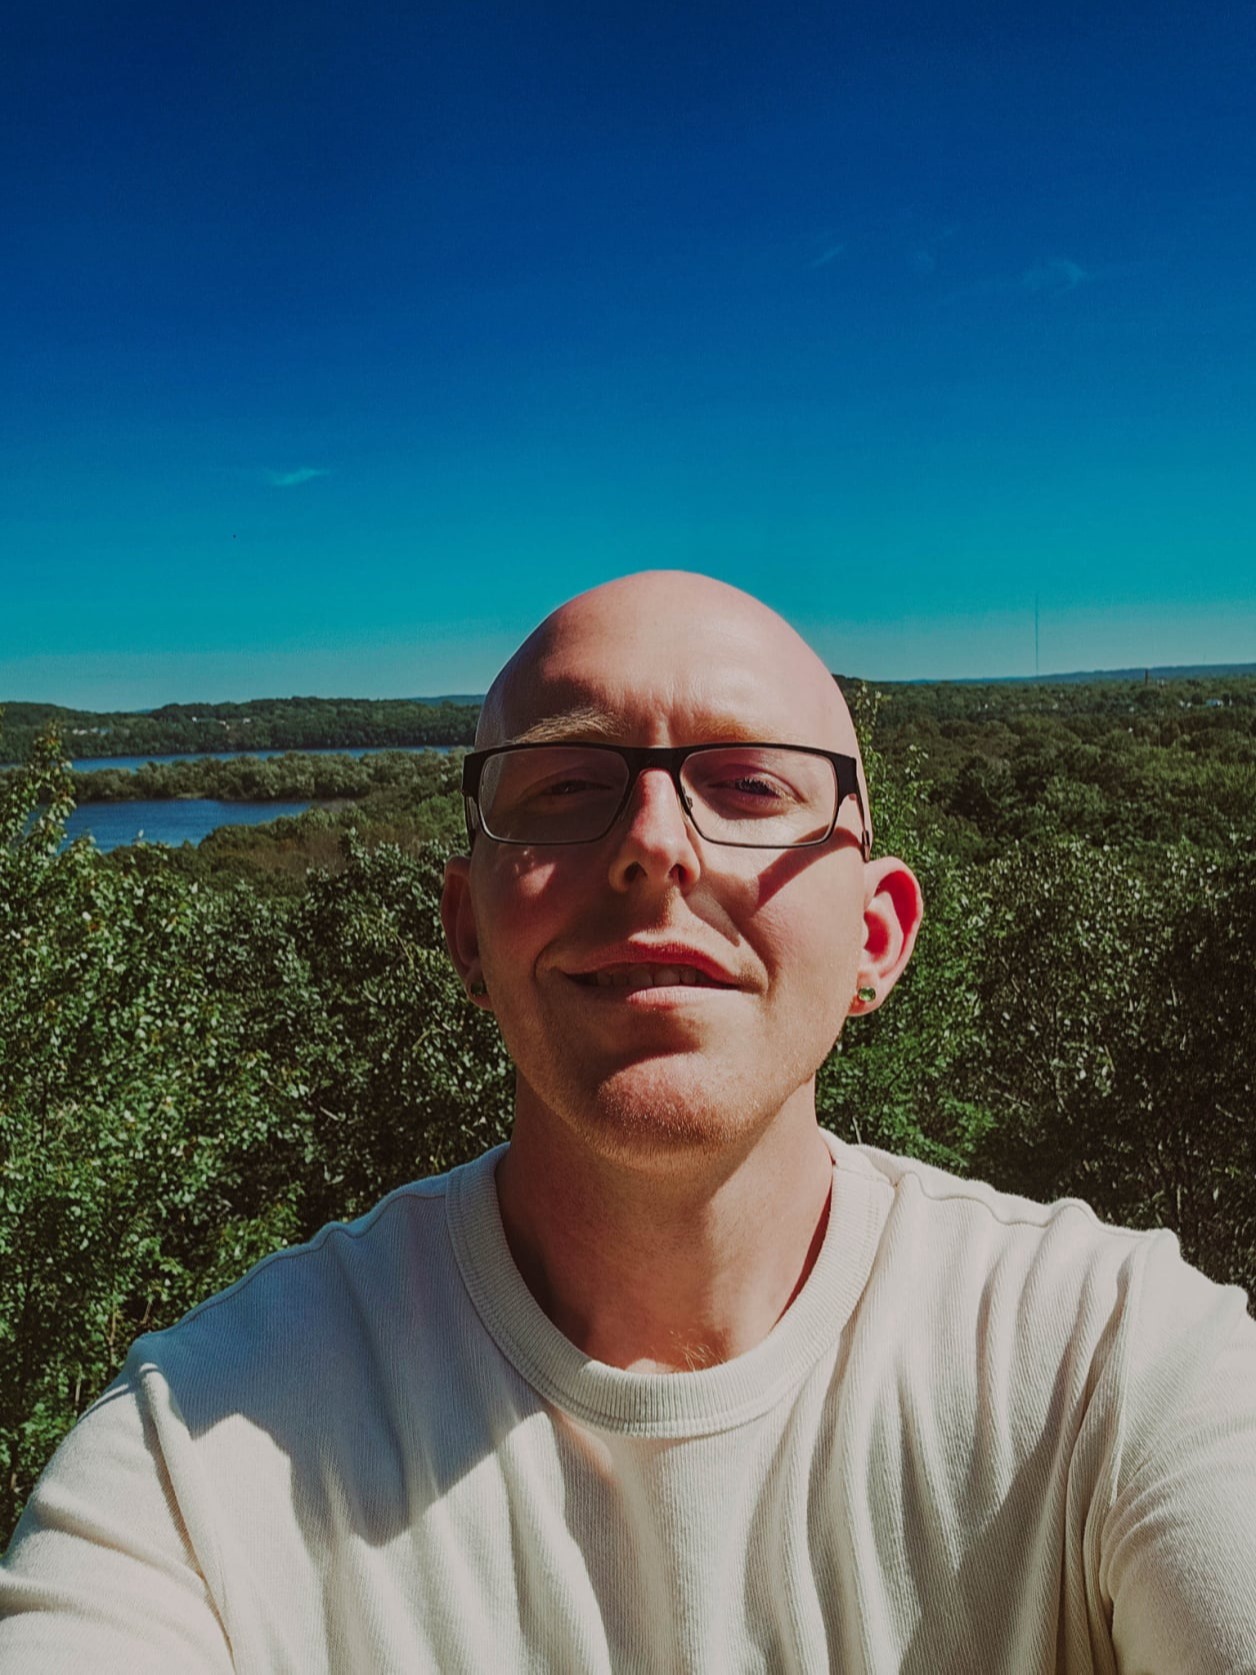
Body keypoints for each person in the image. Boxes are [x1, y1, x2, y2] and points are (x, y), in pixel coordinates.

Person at [2, 570, 1255, 1673]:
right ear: (467, 933)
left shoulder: (1108, 1364)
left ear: (875, 937)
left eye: (749, 783)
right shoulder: (205, 1454)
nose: (654, 844)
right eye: (561, 787)